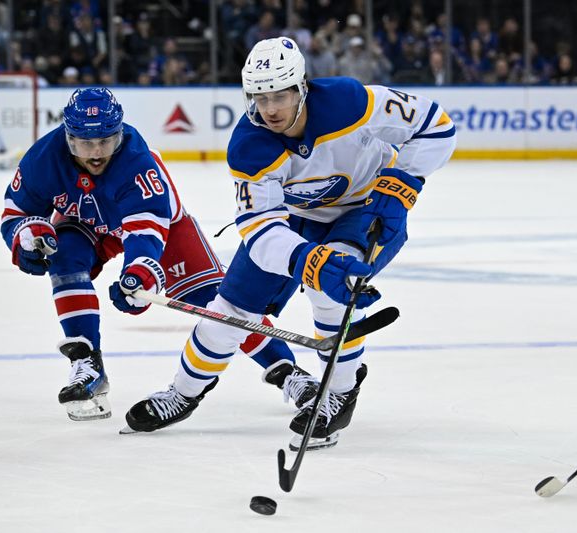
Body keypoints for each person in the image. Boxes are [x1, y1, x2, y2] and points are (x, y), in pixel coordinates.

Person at [123, 37, 456, 449]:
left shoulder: (350, 102)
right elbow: (260, 229)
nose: (270, 109)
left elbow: (436, 126)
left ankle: (338, 393)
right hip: (293, 218)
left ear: (302, 86)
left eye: (280, 95)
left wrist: (402, 183)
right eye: (260, 98)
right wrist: (305, 260)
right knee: (226, 312)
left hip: (367, 209)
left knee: (335, 290)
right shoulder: (250, 146)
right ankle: (183, 393)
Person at [0, 87, 318, 422]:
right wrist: (26, 238)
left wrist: (139, 275)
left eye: (105, 142)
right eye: (84, 144)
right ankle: (86, 361)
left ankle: (288, 372)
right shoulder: (42, 159)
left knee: (220, 302)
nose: (96, 154)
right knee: (64, 259)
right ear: (67, 138)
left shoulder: (137, 163)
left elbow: (146, 233)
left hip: (165, 228)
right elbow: (14, 214)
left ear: (119, 134)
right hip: (87, 224)